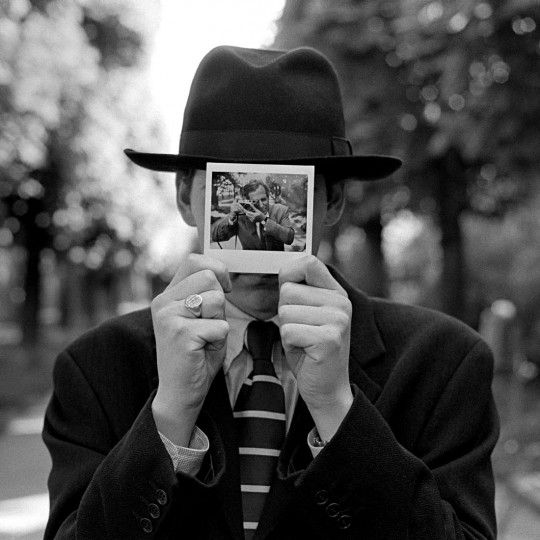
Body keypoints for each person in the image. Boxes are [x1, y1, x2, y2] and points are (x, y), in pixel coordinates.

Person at [43, 45, 499, 539]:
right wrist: (170, 416)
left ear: (333, 201)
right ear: (183, 196)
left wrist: (339, 416)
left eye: (286, 185)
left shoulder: (445, 364)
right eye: (238, 182)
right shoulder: (94, 370)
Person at [211, 179, 295, 251]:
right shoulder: (241, 216)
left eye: (263, 199)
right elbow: (216, 237)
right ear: (247, 201)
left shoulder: (280, 210)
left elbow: (289, 238)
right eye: (255, 202)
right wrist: (231, 217)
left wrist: (264, 220)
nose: (261, 205)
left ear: (268, 196)